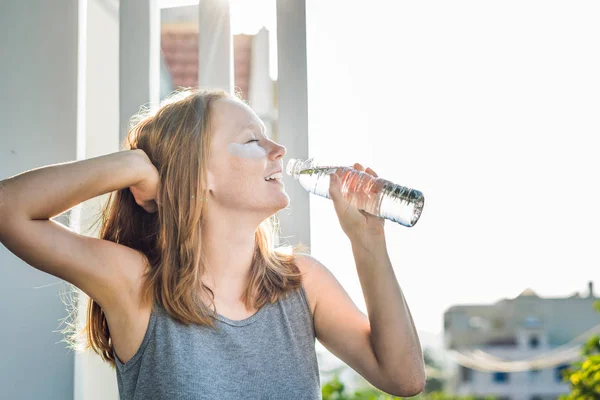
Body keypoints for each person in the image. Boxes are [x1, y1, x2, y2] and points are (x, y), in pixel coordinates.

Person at [0, 89, 425, 399]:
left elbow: (404, 378)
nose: (278, 150)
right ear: (200, 175)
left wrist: (367, 239)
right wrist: (132, 165)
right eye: (253, 141)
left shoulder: (302, 283)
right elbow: (8, 209)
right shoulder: (138, 286)